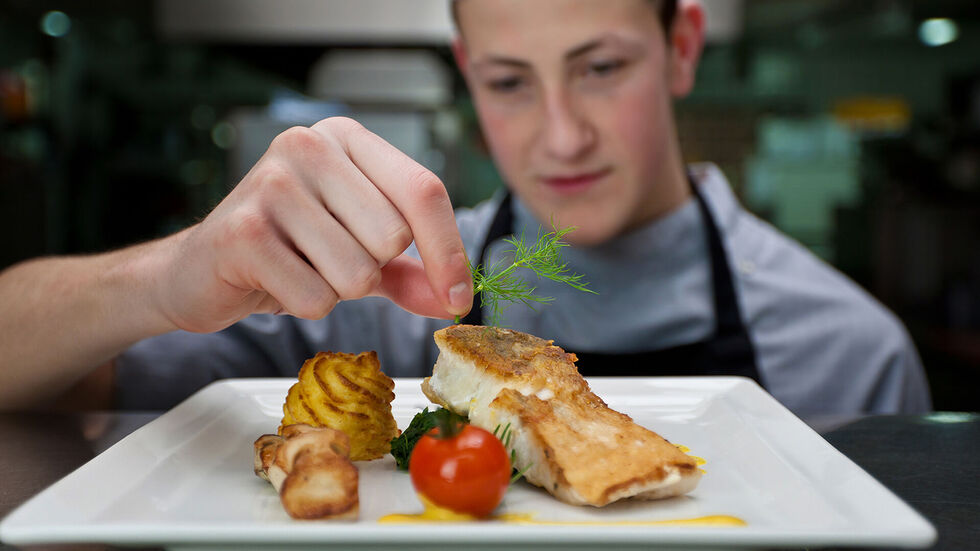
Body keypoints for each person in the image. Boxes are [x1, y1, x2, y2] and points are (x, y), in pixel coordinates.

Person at [0, 0, 930, 417]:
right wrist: (167, 277)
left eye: (601, 68)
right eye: (508, 80)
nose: (561, 135)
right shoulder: (370, 294)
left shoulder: (853, 354)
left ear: (682, 46)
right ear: (464, 75)